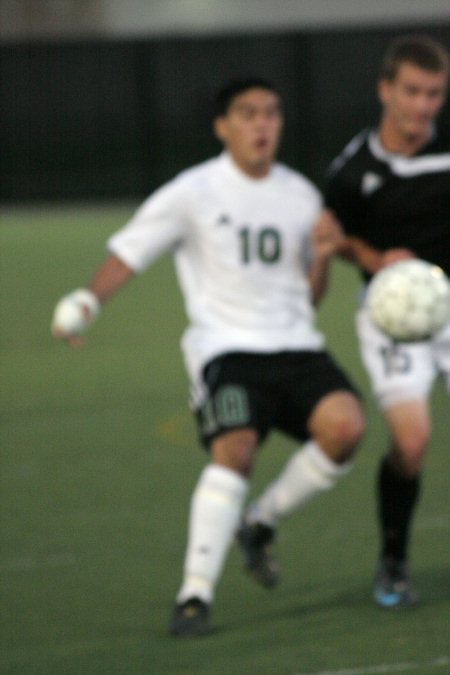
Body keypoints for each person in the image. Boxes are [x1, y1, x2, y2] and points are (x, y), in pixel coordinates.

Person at [51, 78, 365, 636]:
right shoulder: (193, 192)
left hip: (296, 345)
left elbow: (310, 296)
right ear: (223, 126)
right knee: (236, 449)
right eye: (248, 114)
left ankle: (259, 524)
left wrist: (320, 258)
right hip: (228, 350)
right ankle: (194, 595)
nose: (262, 125)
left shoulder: (300, 195)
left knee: (347, 429)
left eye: (271, 113)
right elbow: (129, 252)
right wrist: (86, 301)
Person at [324, 35, 450, 609]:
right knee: (413, 442)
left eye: (435, 94)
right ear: (385, 90)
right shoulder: (354, 170)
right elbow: (335, 236)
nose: (424, 106)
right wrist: (374, 260)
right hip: (392, 316)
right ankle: (393, 560)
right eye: (413, 92)